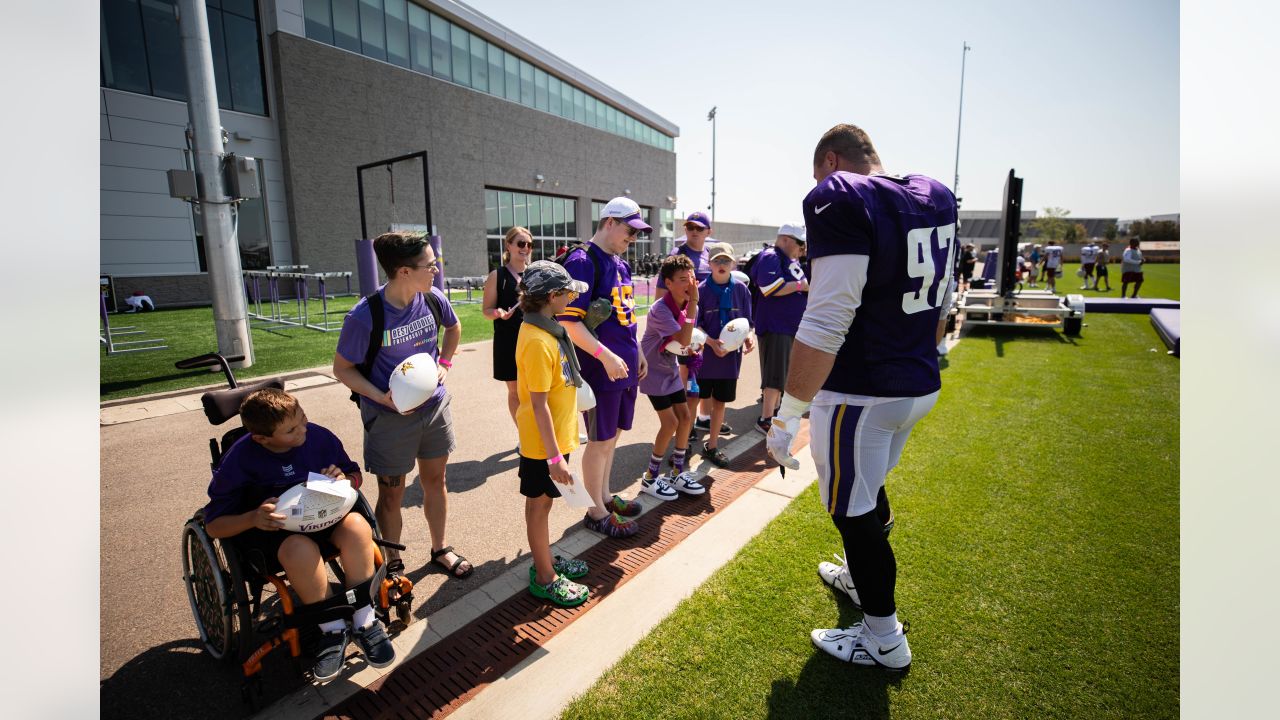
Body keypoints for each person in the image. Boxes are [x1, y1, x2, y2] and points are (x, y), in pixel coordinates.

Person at [767, 123, 958, 671]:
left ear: (830, 161)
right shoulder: (934, 193)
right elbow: (943, 299)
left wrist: (788, 417)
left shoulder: (838, 194)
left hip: (860, 391)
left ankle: (884, 639)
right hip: (916, 383)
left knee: (852, 513)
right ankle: (858, 577)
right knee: (868, 492)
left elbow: (827, 319)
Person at [203, 388, 394, 682]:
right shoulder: (239, 459)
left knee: (358, 527)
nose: (302, 429)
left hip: (327, 514)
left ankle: (364, 620)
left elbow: (355, 476)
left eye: (303, 418)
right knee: (299, 550)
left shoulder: (318, 436)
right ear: (262, 439)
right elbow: (214, 525)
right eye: (291, 430)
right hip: (275, 531)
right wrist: (253, 517)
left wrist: (344, 480)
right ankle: (332, 629)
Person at [333, 232, 473, 579]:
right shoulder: (365, 317)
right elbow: (342, 369)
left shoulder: (433, 298)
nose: (436, 271)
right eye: (430, 265)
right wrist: (379, 397)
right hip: (389, 418)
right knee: (392, 494)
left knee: (435, 481)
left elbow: (454, 329)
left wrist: (445, 364)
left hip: (434, 408)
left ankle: (440, 548)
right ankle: (392, 562)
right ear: (403, 272)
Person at [557, 196, 649, 538]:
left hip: (624, 365)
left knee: (613, 437)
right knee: (599, 440)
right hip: (601, 369)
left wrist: (635, 349)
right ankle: (595, 511)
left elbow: (624, 315)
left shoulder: (620, 263)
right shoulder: (583, 261)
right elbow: (569, 322)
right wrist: (606, 356)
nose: (633, 238)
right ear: (609, 222)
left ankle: (605, 496)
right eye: (629, 230)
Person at [514, 261, 593, 606]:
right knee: (539, 504)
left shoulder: (549, 330)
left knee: (546, 504)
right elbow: (539, 404)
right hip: (542, 446)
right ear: (551, 296)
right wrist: (554, 457)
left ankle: (544, 556)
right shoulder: (536, 340)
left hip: (555, 440)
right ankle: (544, 575)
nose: (572, 296)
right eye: (567, 292)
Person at [636, 254, 706, 499]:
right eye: (682, 279)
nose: (689, 283)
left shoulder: (686, 305)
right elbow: (684, 339)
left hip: (670, 369)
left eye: (691, 278)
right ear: (668, 282)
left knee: (686, 417)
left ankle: (677, 472)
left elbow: (685, 344)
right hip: (652, 372)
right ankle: (650, 477)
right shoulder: (660, 309)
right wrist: (694, 303)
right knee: (670, 423)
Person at [655, 211, 727, 439]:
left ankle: (703, 419)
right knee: (685, 374)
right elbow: (661, 295)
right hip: (683, 325)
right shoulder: (677, 256)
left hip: (706, 321)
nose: (693, 232)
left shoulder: (710, 255)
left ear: (708, 232)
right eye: (689, 227)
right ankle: (686, 425)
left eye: (699, 228)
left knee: (704, 372)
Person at [696, 242, 755, 468]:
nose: (721, 265)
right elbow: (695, 324)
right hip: (704, 358)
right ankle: (682, 447)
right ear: (709, 264)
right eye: (717, 260)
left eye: (726, 261)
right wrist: (711, 343)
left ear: (733, 263)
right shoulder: (700, 291)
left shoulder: (741, 290)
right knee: (696, 399)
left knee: (720, 403)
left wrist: (749, 336)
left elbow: (748, 323)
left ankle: (712, 445)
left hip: (729, 360)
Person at [750, 222, 809, 435]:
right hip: (776, 324)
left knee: (783, 372)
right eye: (800, 243)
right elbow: (771, 287)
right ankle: (765, 418)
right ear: (785, 239)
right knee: (774, 373)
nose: (802, 248)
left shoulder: (789, 259)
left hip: (789, 325)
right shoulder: (771, 256)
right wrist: (802, 286)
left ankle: (774, 412)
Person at [482, 227, 532, 434]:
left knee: (544, 388)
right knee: (516, 391)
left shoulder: (536, 272)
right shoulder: (498, 275)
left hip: (535, 339)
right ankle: (525, 434)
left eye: (529, 244)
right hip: (508, 341)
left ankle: (552, 429)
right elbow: (486, 310)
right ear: (509, 246)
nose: (525, 248)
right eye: (521, 243)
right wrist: (498, 313)